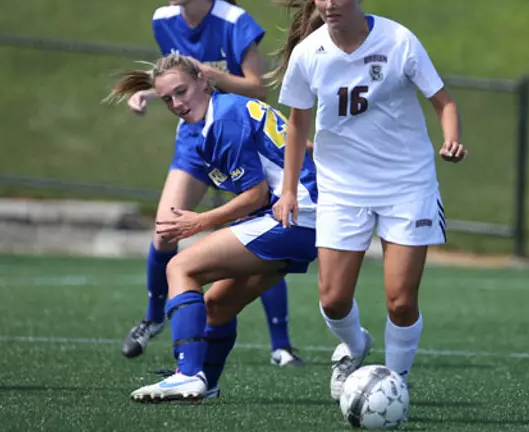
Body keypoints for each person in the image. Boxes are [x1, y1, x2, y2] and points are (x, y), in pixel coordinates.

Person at [270, 0, 467, 401]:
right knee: (333, 298)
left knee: (400, 300)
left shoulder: (398, 40)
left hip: (407, 184)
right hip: (343, 187)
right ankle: (355, 346)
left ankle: (395, 384)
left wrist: (452, 138)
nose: (328, 5)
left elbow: (444, 102)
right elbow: (297, 123)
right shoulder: (309, 52)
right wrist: (288, 189)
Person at [105, 53, 318, 401]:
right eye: (169, 98)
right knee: (218, 305)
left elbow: (255, 194)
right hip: (302, 219)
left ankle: (186, 373)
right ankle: (208, 382)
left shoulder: (224, 120)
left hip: (293, 216)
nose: (176, 103)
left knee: (180, 266)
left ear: (205, 81)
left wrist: (199, 222)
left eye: (182, 91)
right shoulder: (221, 114)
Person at [121, 0, 304, 367]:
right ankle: (156, 317)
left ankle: (280, 345)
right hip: (196, 138)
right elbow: (178, 84)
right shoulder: (164, 20)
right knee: (165, 231)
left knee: (257, 232)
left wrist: (209, 75)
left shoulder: (234, 22)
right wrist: (149, 93)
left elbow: (256, 89)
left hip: (234, 134)